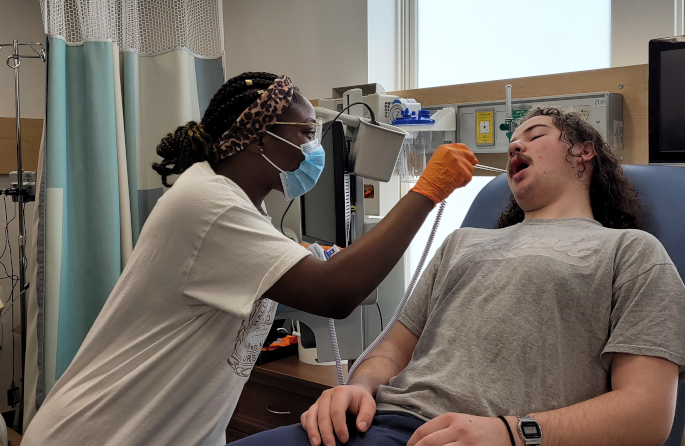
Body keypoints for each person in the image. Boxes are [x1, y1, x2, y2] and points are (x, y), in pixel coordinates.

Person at [21, 72, 478, 446]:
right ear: (260, 139)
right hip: (102, 433)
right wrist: (426, 191)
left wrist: (307, 256)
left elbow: (252, 265)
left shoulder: (234, 202)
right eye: (305, 134)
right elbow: (335, 293)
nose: (312, 149)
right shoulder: (211, 205)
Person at [231, 107, 685, 446]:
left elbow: (648, 415)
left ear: (584, 153)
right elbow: (394, 349)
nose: (515, 144)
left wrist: (511, 433)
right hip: (375, 425)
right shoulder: (465, 241)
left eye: (536, 134)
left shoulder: (629, 250)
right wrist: (358, 386)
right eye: (513, 138)